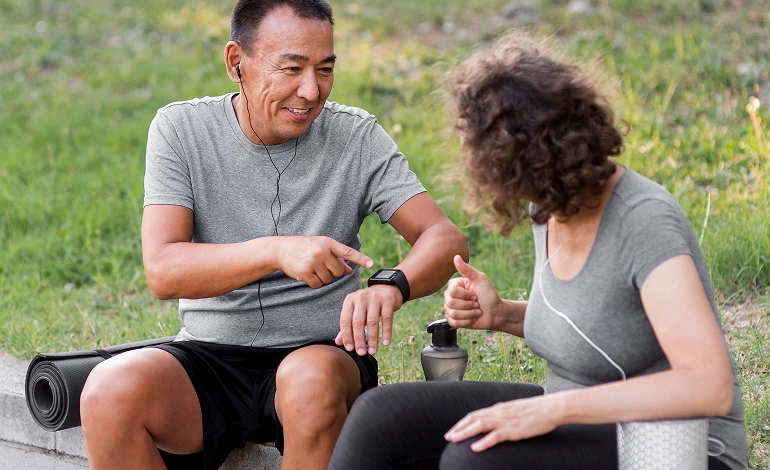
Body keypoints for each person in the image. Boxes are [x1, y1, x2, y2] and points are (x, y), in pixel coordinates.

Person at [328, 31, 748, 470]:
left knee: (475, 458)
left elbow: (707, 384)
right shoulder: (548, 203)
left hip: (679, 446)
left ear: (529, 156)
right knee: (381, 416)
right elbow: (599, 325)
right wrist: (502, 314)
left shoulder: (644, 221)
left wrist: (555, 410)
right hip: (577, 413)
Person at [78, 1, 468, 469]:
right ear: (235, 62)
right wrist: (275, 252)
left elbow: (445, 239)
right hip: (208, 356)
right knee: (107, 391)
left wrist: (393, 284)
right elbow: (163, 270)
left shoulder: (356, 136)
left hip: (321, 357)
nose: (310, 90)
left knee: (309, 380)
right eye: (291, 68)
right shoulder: (181, 129)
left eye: (325, 69)